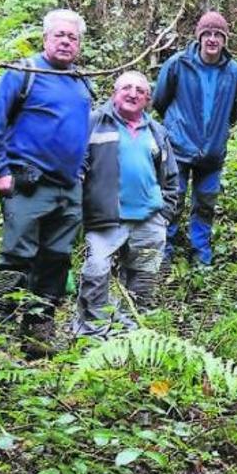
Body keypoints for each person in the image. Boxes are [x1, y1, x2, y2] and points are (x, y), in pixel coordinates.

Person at [0, 9, 92, 355]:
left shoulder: (82, 81)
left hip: (67, 188)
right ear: (45, 38)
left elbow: (82, 133)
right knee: (18, 255)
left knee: (56, 259)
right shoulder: (24, 73)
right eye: (60, 35)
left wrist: (81, 171)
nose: (66, 41)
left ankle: (38, 331)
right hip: (28, 183)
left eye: (73, 37)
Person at [73, 71, 178, 338]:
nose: (133, 94)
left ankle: (128, 335)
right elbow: (77, 166)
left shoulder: (157, 130)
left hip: (149, 219)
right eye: (126, 88)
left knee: (142, 280)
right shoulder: (94, 122)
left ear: (147, 99)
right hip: (106, 216)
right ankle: (91, 335)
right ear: (114, 93)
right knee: (96, 274)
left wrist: (165, 212)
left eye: (140, 91)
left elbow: (171, 176)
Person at [153, 11, 237, 265]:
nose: (212, 39)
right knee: (173, 199)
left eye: (218, 35)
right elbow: (160, 100)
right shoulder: (178, 63)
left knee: (205, 205)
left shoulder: (234, 71)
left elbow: (235, 110)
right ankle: (165, 253)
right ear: (199, 37)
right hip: (178, 147)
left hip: (213, 152)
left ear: (225, 40)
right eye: (208, 34)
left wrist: (218, 133)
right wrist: (177, 127)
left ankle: (200, 256)